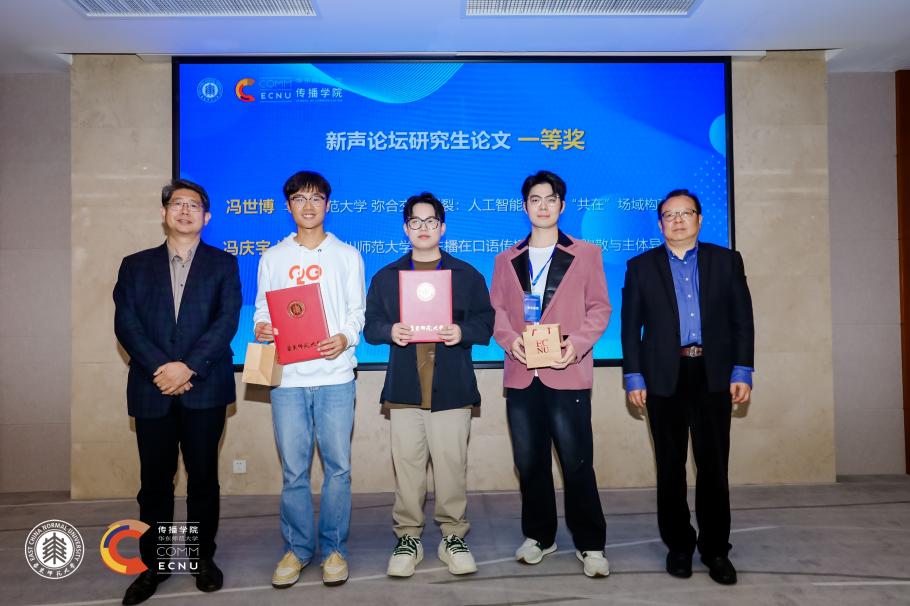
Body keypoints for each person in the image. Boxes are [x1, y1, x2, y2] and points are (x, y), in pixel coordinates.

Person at [113, 179, 241, 605]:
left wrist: (188, 367)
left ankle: (202, 559)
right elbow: (126, 324)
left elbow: (226, 322)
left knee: (203, 480)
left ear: (207, 216)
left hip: (204, 387)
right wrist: (161, 369)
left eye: (194, 205)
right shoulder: (135, 265)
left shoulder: (223, 264)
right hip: (152, 389)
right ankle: (156, 564)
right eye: (177, 204)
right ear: (164, 213)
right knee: (155, 484)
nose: (185, 211)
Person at [621, 189, 754, 585]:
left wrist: (742, 371)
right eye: (669, 215)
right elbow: (630, 329)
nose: (677, 220)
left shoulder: (726, 261)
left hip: (713, 375)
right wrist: (634, 376)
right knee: (670, 466)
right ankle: (679, 545)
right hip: (664, 378)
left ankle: (715, 550)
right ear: (660, 223)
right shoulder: (640, 267)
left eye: (685, 213)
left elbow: (742, 319)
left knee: (713, 467)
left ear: (699, 219)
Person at [364, 192, 494, 578]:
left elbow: (486, 323)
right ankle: (408, 538)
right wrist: (390, 331)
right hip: (405, 390)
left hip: (452, 389)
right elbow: (370, 327)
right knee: (408, 469)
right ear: (406, 229)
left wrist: (462, 331)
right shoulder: (386, 277)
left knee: (452, 468)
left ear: (443, 227)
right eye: (416, 222)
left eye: (431, 221)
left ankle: (453, 536)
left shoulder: (467, 275)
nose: (424, 228)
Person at [490, 170, 612, 578]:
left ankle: (590, 543)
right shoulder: (506, 259)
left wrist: (575, 345)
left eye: (550, 199)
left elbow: (600, 309)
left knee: (577, 463)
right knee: (529, 463)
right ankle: (539, 536)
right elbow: (497, 311)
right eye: (535, 199)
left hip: (567, 372)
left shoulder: (586, 254)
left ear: (562, 205)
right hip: (522, 375)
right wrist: (510, 341)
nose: (542, 206)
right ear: (524, 206)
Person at [253, 170, 365, 588]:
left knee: (339, 469)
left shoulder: (347, 255)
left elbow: (357, 311)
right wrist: (262, 326)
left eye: (316, 198)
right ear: (288, 207)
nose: (308, 206)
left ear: (328, 205)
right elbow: (262, 309)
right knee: (294, 472)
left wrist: (345, 337)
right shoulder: (273, 257)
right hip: (288, 380)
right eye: (299, 199)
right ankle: (298, 549)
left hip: (336, 376)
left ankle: (334, 549)